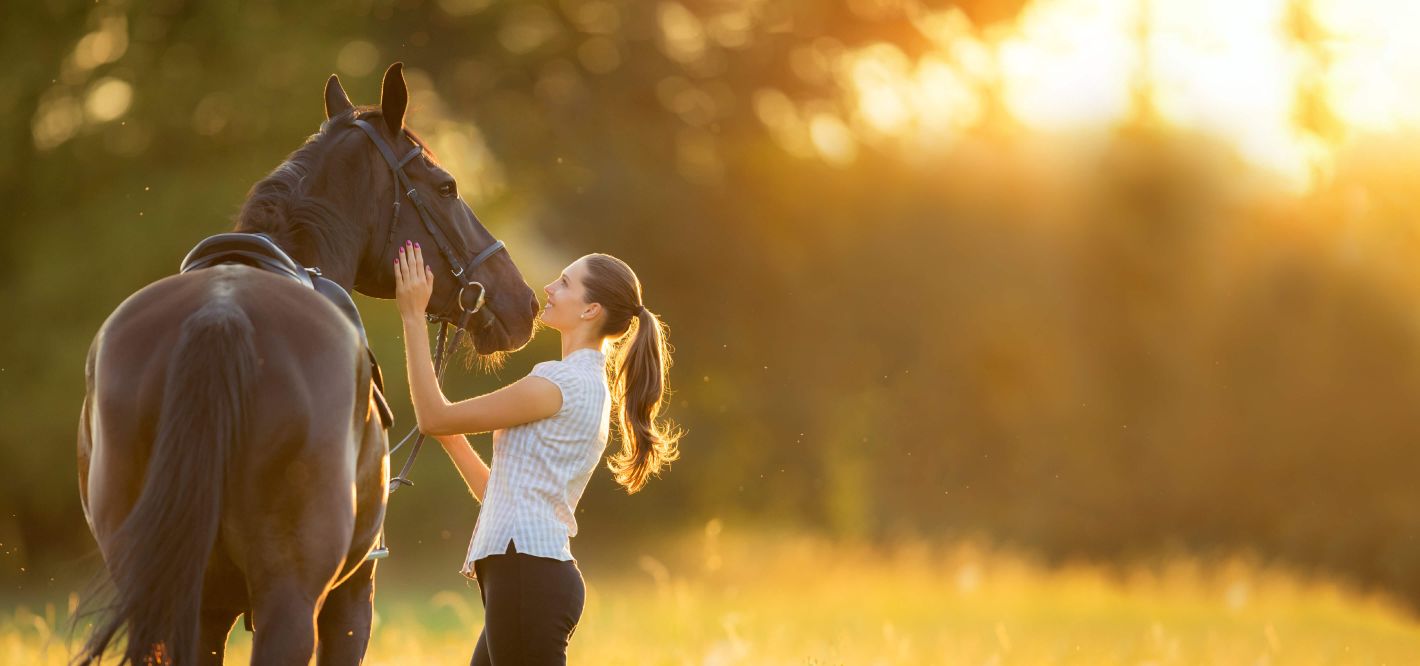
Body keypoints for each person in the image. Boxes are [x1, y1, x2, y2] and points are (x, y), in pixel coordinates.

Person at [392, 240, 681, 665]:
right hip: (527, 575)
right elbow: (501, 492)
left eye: (564, 283)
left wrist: (412, 315)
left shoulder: (558, 383)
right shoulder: (585, 386)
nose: (549, 288)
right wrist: (452, 436)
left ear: (590, 310)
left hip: (527, 576)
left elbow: (433, 416)